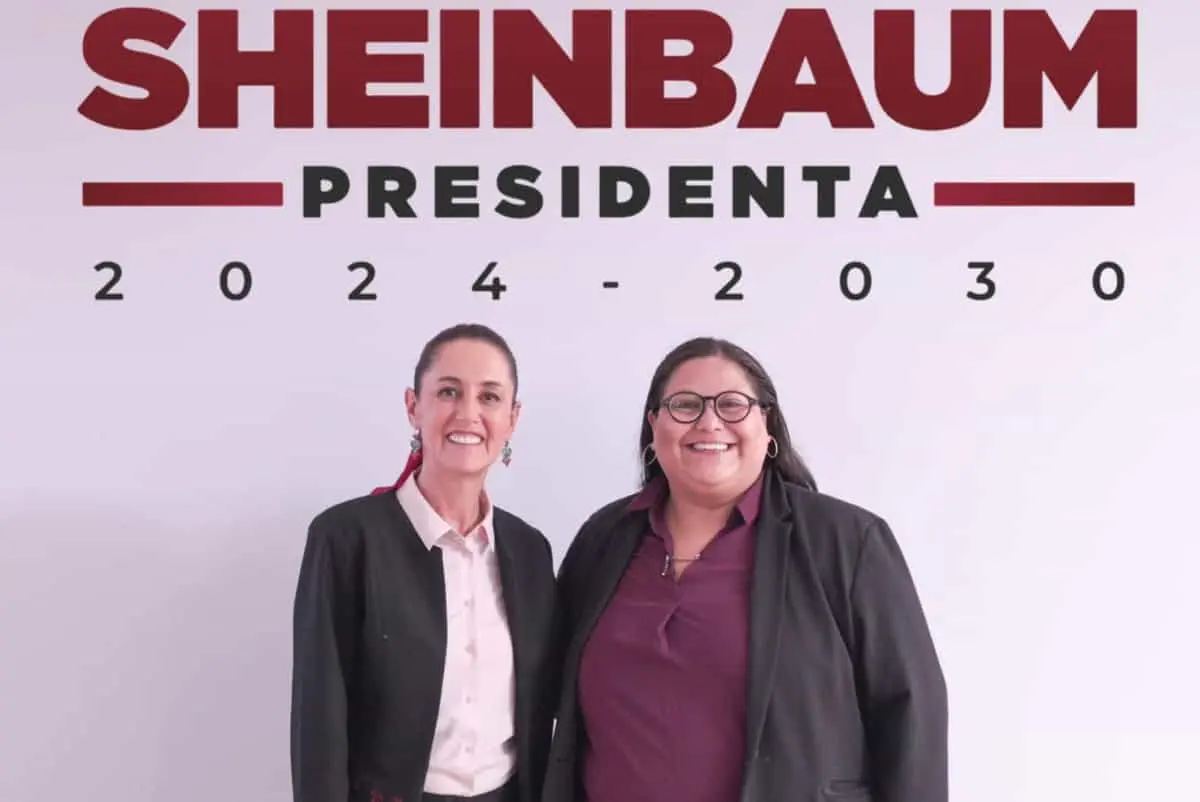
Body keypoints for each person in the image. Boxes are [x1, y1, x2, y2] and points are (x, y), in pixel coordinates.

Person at [544, 337, 948, 802]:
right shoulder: (605, 538)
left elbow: (912, 716)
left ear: (768, 425)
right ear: (654, 427)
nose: (709, 422)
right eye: (685, 405)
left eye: (733, 405)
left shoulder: (846, 543)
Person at [290, 323, 557, 802]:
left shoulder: (530, 550)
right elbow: (319, 718)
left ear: (513, 418)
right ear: (414, 406)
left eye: (490, 397)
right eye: (449, 392)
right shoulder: (346, 538)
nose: (469, 413)